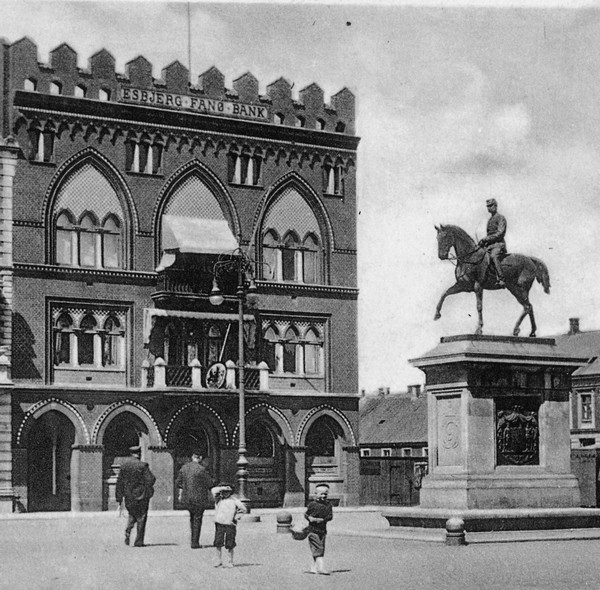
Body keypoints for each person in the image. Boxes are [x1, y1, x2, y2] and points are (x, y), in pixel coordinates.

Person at [115, 445, 156, 548]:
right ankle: (139, 541)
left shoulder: (124, 466)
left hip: (129, 496)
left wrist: (119, 497)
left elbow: (119, 483)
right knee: (141, 517)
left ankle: (128, 529)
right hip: (141, 496)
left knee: (132, 514)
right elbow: (151, 479)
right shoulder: (143, 466)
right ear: (139, 454)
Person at [175, 451, 214, 548]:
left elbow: (178, 483)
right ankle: (195, 542)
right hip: (199, 498)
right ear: (200, 457)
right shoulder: (202, 469)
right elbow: (210, 483)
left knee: (192, 518)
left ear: (192, 457)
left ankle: (193, 540)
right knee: (197, 519)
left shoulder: (184, 468)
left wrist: (180, 494)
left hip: (187, 498)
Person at [211, 482, 247, 568]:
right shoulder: (218, 499)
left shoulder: (234, 500)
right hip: (219, 523)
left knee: (230, 542)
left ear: (231, 492)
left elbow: (243, 509)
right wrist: (221, 488)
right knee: (218, 542)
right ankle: (218, 560)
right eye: (223, 491)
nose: (225, 493)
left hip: (230, 523)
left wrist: (237, 517)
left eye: (227, 492)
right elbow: (213, 490)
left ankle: (230, 561)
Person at [304, 483, 333, 575]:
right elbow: (306, 514)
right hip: (312, 530)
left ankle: (314, 567)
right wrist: (309, 518)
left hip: (323, 530)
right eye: (321, 494)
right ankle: (321, 568)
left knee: (320, 549)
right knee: (318, 548)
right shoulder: (312, 504)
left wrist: (323, 520)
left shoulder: (328, 505)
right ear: (316, 494)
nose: (324, 496)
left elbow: (330, 516)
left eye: (325, 494)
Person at [478, 198, 507, 287]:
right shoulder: (490, 219)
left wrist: (486, 239)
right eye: (488, 206)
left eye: (491, 206)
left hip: (498, 245)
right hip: (489, 245)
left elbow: (500, 233)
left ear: (496, 206)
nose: (489, 208)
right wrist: (482, 242)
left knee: (493, 256)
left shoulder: (501, 218)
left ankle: (501, 279)